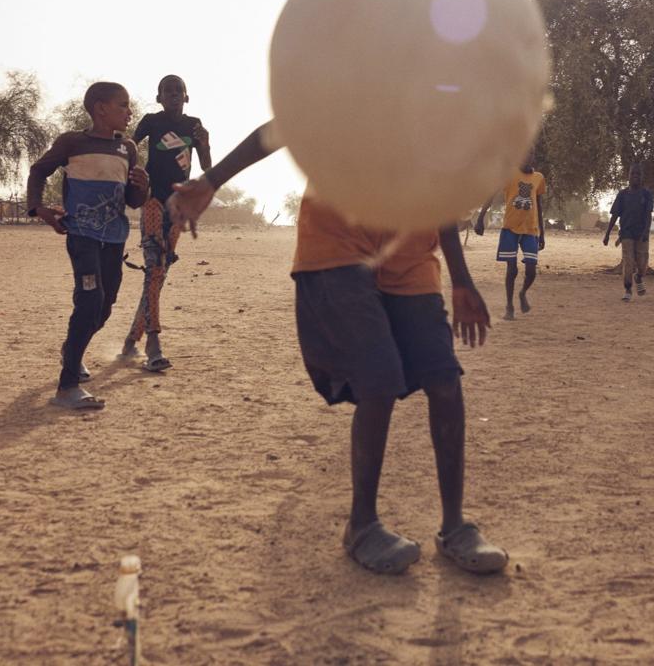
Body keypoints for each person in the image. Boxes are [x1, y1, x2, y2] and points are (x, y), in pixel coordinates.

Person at [169, 122, 509, 575]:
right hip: (337, 243)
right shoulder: (355, 80)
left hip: (410, 251)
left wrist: (462, 282)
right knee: (379, 379)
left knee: (444, 379)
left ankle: (455, 526)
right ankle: (362, 525)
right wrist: (211, 180)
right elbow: (287, 123)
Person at [27, 82, 150, 409]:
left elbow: (133, 201)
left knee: (105, 306)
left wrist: (143, 188)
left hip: (114, 238)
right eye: (123, 105)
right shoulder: (72, 142)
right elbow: (39, 170)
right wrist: (38, 207)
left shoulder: (128, 148)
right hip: (82, 235)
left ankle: (73, 350)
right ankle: (66, 387)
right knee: (89, 300)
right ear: (100, 108)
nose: (129, 112)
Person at [120, 75, 210, 371]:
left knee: (159, 274)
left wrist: (205, 143)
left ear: (187, 96)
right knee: (154, 269)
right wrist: (132, 181)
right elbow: (129, 149)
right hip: (152, 201)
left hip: (178, 208)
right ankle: (152, 343)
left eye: (178, 90)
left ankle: (131, 340)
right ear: (158, 98)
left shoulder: (194, 126)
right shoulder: (151, 121)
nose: (173, 94)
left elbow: (207, 168)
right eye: (166, 91)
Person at [473, 153, 546, 320]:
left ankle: (522, 293)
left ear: (533, 159)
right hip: (510, 229)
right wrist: (480, 219)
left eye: (530, 157)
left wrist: (543, 234)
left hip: (531, 230)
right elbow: (491, 196)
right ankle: (509, 306)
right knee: (511, 269)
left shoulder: (538, 178)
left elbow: (539, 205)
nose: (526, 159)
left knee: (531, 270)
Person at [603, 164, 654, 302]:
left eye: (638, 174)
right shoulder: (623, 195)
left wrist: (646, 232)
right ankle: (628, 289)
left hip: (642, 234)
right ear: (629, 176)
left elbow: (648, 215)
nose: (635, 177)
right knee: (628, 262)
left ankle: (638, 278)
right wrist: (607, 234)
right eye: (633, 174)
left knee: (642, 264)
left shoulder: (646, 194)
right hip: (626, 233)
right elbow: (614, 215)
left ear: (641, 177)